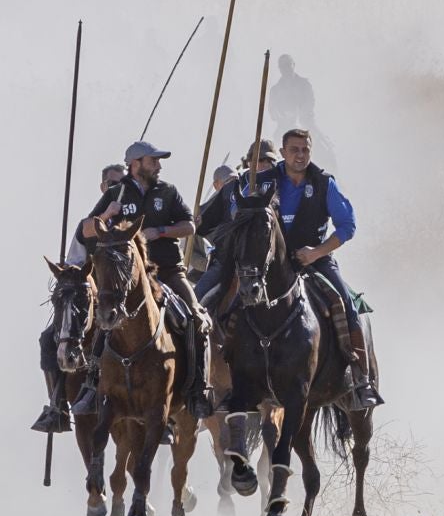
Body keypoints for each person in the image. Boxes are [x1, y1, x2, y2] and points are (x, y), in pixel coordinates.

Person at [76, 142, 216, 420]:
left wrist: (160, 231)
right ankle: (92, 385)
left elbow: (190, 226)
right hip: (126, 280)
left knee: (196, 320)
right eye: (153, 161)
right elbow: (85, 231)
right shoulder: (117, 193)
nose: (159, 166)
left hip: (167, 270)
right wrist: (106, 215)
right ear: (136, 164)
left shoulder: (168, 191)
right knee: (103, 321)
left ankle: (197, 389)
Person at [262, 128, 380, 410]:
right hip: (271, 262)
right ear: (282, 153)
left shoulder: (324, 183)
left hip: (316, 259)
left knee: (347, 303)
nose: (300, 155)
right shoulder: (267, 180)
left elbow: (347, 226)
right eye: (294, 150)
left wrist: (316, 253)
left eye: (304, 150)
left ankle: (361, 378)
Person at [32, 164, 127, 433]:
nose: (115, 189)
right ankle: (58, 405)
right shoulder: (86, 226)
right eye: (110, 184)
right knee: (49, 338)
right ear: (102, 188)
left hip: (122, 301)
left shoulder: (129, 226)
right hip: (89, 301)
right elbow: (74, 262)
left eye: (120, 185)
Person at [193, 140, 278, 311]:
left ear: (273, 162)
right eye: (254, 161)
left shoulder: (282, 186)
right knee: (195, 300)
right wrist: (196, 220)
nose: (259, 165)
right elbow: (206, 222)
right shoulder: (232, 188)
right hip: (229, 259)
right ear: (247, 163)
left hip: (268, 259)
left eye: (264, 161)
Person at [268, 54, 316, 135]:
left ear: (293, 64)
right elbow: (272, 110)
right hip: (283, 127)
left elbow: (310, 102)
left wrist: (298, 114)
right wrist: (282, 117)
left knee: (318, 140)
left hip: (306, 124)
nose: (285, 68)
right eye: (282, 66)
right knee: (275, 142)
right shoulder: (275, 90)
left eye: (287, 65)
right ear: (279, 68)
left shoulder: (304, 84)